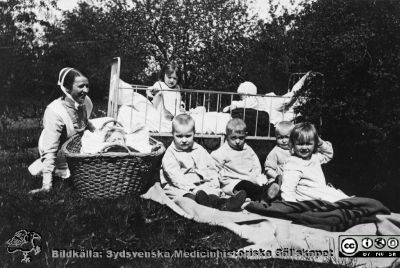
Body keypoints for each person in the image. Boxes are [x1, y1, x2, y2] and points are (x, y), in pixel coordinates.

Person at [28, 68, 95, 194]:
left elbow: (83, 121)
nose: (86, 90)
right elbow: (50, 149)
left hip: (75, 143)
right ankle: (51, 169)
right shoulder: (54, 111)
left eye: (87, 86)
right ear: (67, 88)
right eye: (81, 86)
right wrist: (46, 185)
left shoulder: (86, 102)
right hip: (58, 150)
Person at [160, 114, 247, 211]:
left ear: (194, 133)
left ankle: (224, 203)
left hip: (200, 184)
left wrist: (213, 182)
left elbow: (210, 167)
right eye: (179, 136)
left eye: (188, 136)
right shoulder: (170, 153)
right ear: (172, 134)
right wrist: (192, 188)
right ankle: (201, 205)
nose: (184, 140)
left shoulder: (199, 149)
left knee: (212, 192)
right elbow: (175, 176)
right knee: (183, 197)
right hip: (178, 185)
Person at [211, 118, 281, 201]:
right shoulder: (222, 152)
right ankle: (266, 195)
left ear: (246, 135)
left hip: (250, 179)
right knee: (246, 186)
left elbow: (256, 165)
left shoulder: (247, 149)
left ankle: (269, 190)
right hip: (233, 182)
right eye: (233, 138)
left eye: (241, 138)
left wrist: (258, 179)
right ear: (227, 136)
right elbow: (213, 169)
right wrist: (216, 187)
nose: (237, 141)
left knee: (265, 182)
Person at [280, 122, 349, 202]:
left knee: (341, 197)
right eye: (300, 144)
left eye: (308, 144)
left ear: (315, 144)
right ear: (293, 144)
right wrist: (291, 204)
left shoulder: (315, 157)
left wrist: (321, 142)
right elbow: (288, 187)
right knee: (339, 200)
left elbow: (328, 154)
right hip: (307, 196)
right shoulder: (293, 163)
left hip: (320, 191)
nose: (304, 147)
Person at [222, 73, 311, 125]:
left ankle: (304, 82)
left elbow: (241, 103)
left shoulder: (252, 99)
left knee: (288, 98)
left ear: (247, 93)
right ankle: (303, 99)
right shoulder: (254, 100)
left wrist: (231, 106)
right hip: (270, 110)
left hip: (271, 102)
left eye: (241, 95)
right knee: (287, 113)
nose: (241, 97)